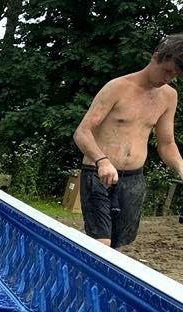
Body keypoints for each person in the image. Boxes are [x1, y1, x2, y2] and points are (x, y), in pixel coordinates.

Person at [73, 34, 183, 249]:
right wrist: (102, 160)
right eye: (167, 70)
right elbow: (82, 132)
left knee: (118, 246)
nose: (168, 78)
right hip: (98, 174)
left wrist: (181, 167)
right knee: (101, 244)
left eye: (175, 75)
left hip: (133, 179)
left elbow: (166, 143)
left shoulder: (169, 96)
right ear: (156, 57)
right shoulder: (117, 87)